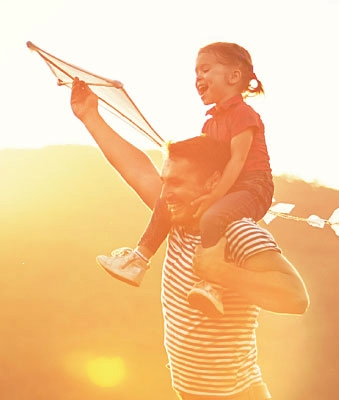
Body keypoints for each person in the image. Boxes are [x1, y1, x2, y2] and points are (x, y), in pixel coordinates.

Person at [69, 76, 309, 399]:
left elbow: (296, 297)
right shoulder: (175, 216)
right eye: (165, 180)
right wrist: (90, 116)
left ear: (212, 183)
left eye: (177, 183)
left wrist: (220, 272)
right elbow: (138, 170)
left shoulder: (236, 231)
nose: (165, 193)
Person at [96, 42, 274, 318]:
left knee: (213, 216)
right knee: (165, 202)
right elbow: (206, 166)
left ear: (234, 76)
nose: (198, 78)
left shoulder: (244, 115)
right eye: (196, 72)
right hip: (224, 185)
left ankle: (212, 285)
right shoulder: (209, 123)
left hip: (252, 187)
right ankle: (138, 259)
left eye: (205, 69)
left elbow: (237, 161)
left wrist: (213, 198)